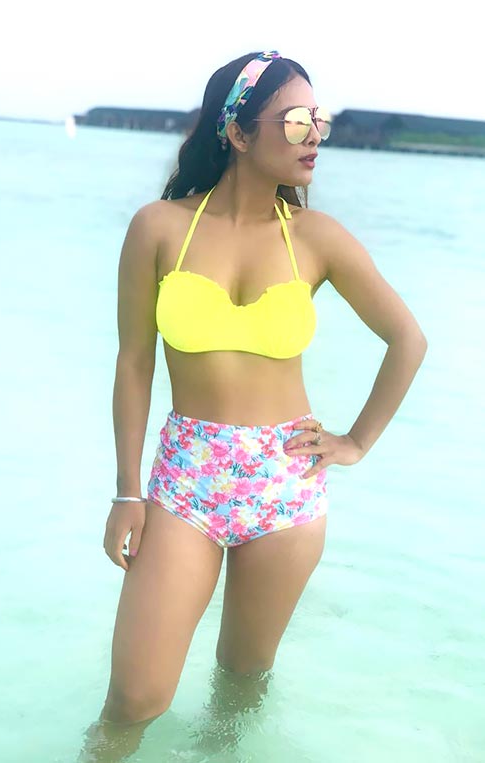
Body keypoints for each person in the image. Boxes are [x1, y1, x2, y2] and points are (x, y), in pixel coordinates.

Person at [81, 50, 427, 758]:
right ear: (237, 133)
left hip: (286, 488)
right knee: (133, 700)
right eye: (295, 121)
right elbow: (134, 364)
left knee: (241, 683)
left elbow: (407, 340)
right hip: (187, 481)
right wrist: (126, 492)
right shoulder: (158, 228)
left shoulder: (317, 238)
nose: (314, 136)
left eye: (319, 120)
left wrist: (355, 442)